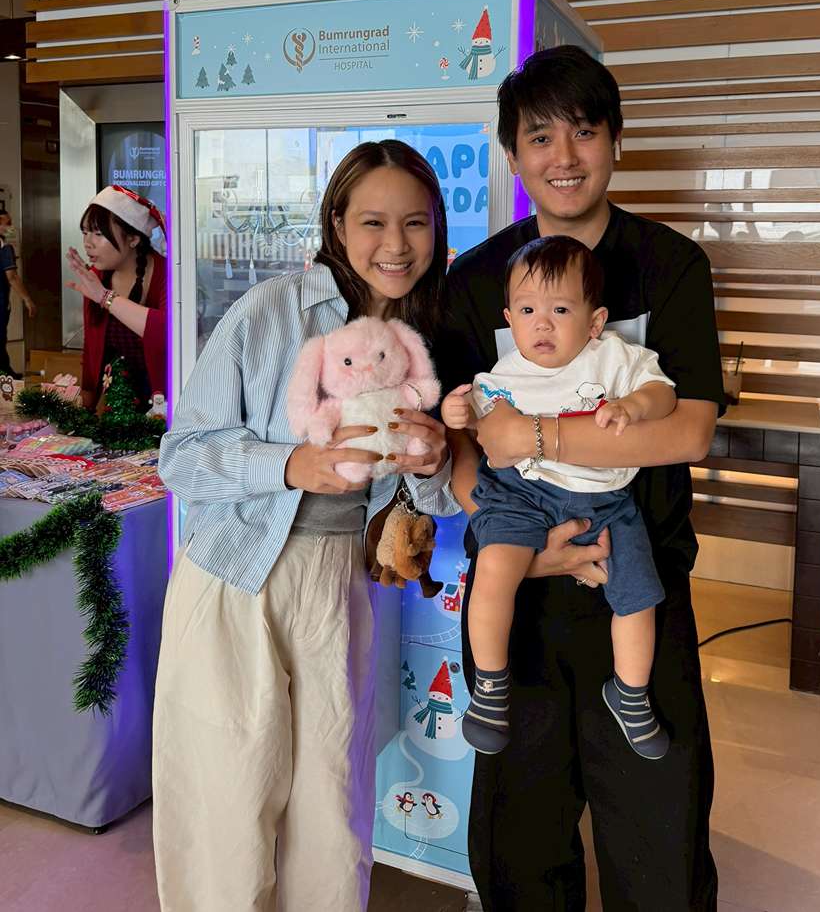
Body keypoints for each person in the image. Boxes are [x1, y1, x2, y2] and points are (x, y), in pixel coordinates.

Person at [436, 45, 725, 911]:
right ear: (512, 154)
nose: (563, 156)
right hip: (520, 589)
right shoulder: (476, 280)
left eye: (584, 132)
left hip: (638, 585)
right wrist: (534, 548)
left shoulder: (670, 265)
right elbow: (461, 453)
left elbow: (689, 429)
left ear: (616, 141)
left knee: (659, 841)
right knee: (520, 848)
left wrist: (537, 433)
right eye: (539, 136)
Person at [154, 139, 458, 912]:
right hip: (236, 576)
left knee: (333, 815)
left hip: (342, 585)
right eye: (373, 221)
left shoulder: (428, 339)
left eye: (416, 222)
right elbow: (181, 457)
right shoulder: (273, 310)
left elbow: (436, 504)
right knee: (225, 815)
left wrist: (431, 463)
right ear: (337, 223)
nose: (396, 244)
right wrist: (292, 464)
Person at [441, 235, 676, 759]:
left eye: (560, 310)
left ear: (595, 321)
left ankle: (630, 692)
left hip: (605, 499)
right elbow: (475, 428)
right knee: (493, 570)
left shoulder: (612, 357)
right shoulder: (500, 376)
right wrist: (457, 414)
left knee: (639, 597)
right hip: (519, 494)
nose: (542, 324)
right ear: (509, 318)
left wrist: (635, 406)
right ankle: (490, 685)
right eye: (527, 311)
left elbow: (664, 392)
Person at [64, 185, 166, 411]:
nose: (88, 243)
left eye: (99, 234)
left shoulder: (168, 275)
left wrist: (104, 297)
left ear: (133, 238)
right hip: (117, 406)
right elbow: (92, 350)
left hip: (165, 407)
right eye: (85, 232)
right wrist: (84, 410)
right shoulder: (97, 276)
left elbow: (167, 332)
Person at [0, 211, 36, 378]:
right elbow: (12, 277)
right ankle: (6, 376)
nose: (10, 227)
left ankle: (7, 374)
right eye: (7, 223)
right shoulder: (4, 248)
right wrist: (27, 299)